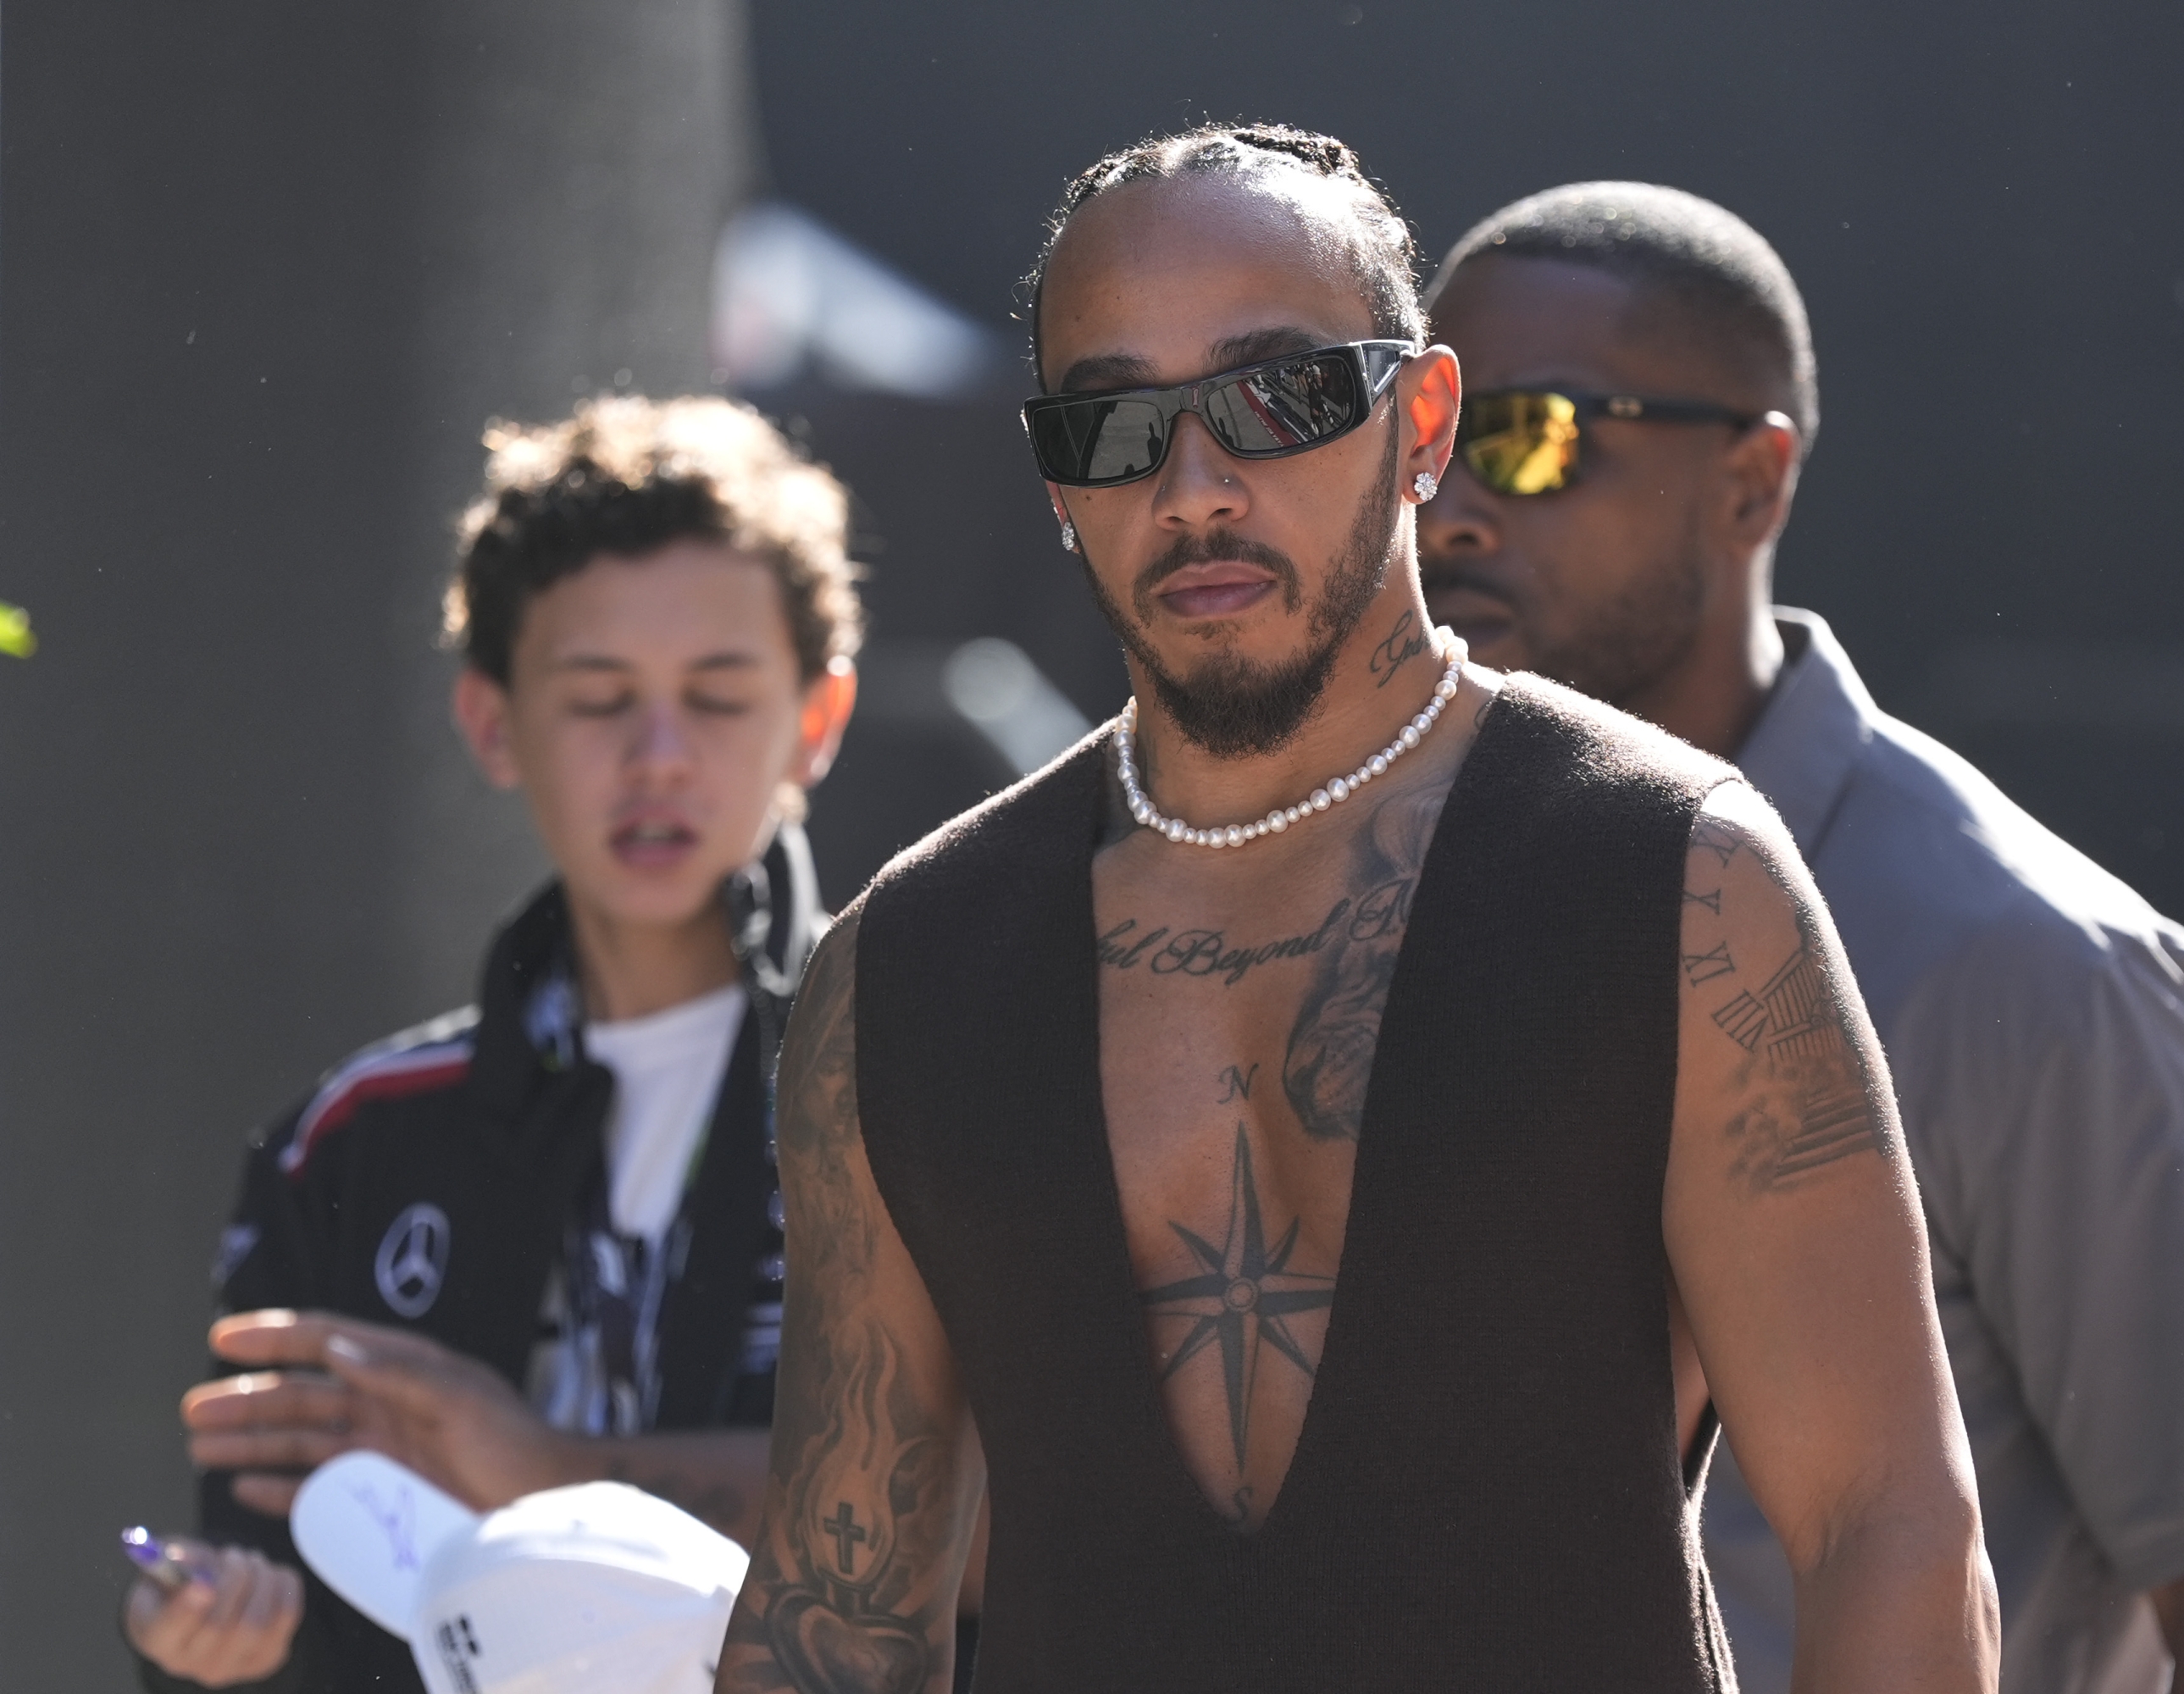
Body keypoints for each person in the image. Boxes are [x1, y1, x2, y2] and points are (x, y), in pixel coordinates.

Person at [717, 124, 1996, 1694]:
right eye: (1116, 422)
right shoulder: (905, 968)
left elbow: (1888, 1522)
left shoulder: (1675, 874)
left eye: (1282, 396)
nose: (1197, 487)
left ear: (1423, 422)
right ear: (1057, 476)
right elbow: (830, 1619)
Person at [1417, 180, 2184, 1694]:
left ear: (1755, 482)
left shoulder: (2024, 967)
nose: (1458, 506)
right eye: (1424, 439)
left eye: (1535, 435)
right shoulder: (1394, 892)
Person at [126, 395, 863, 1693]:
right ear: (490, 721)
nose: (658, 757)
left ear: (817, 718)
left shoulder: (918, 1090)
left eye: (717, 695)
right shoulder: (348, 1142)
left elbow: (1014, 1524)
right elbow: (286, 1596)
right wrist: (206, 1649)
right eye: (597, 699)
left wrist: (538, 1469)